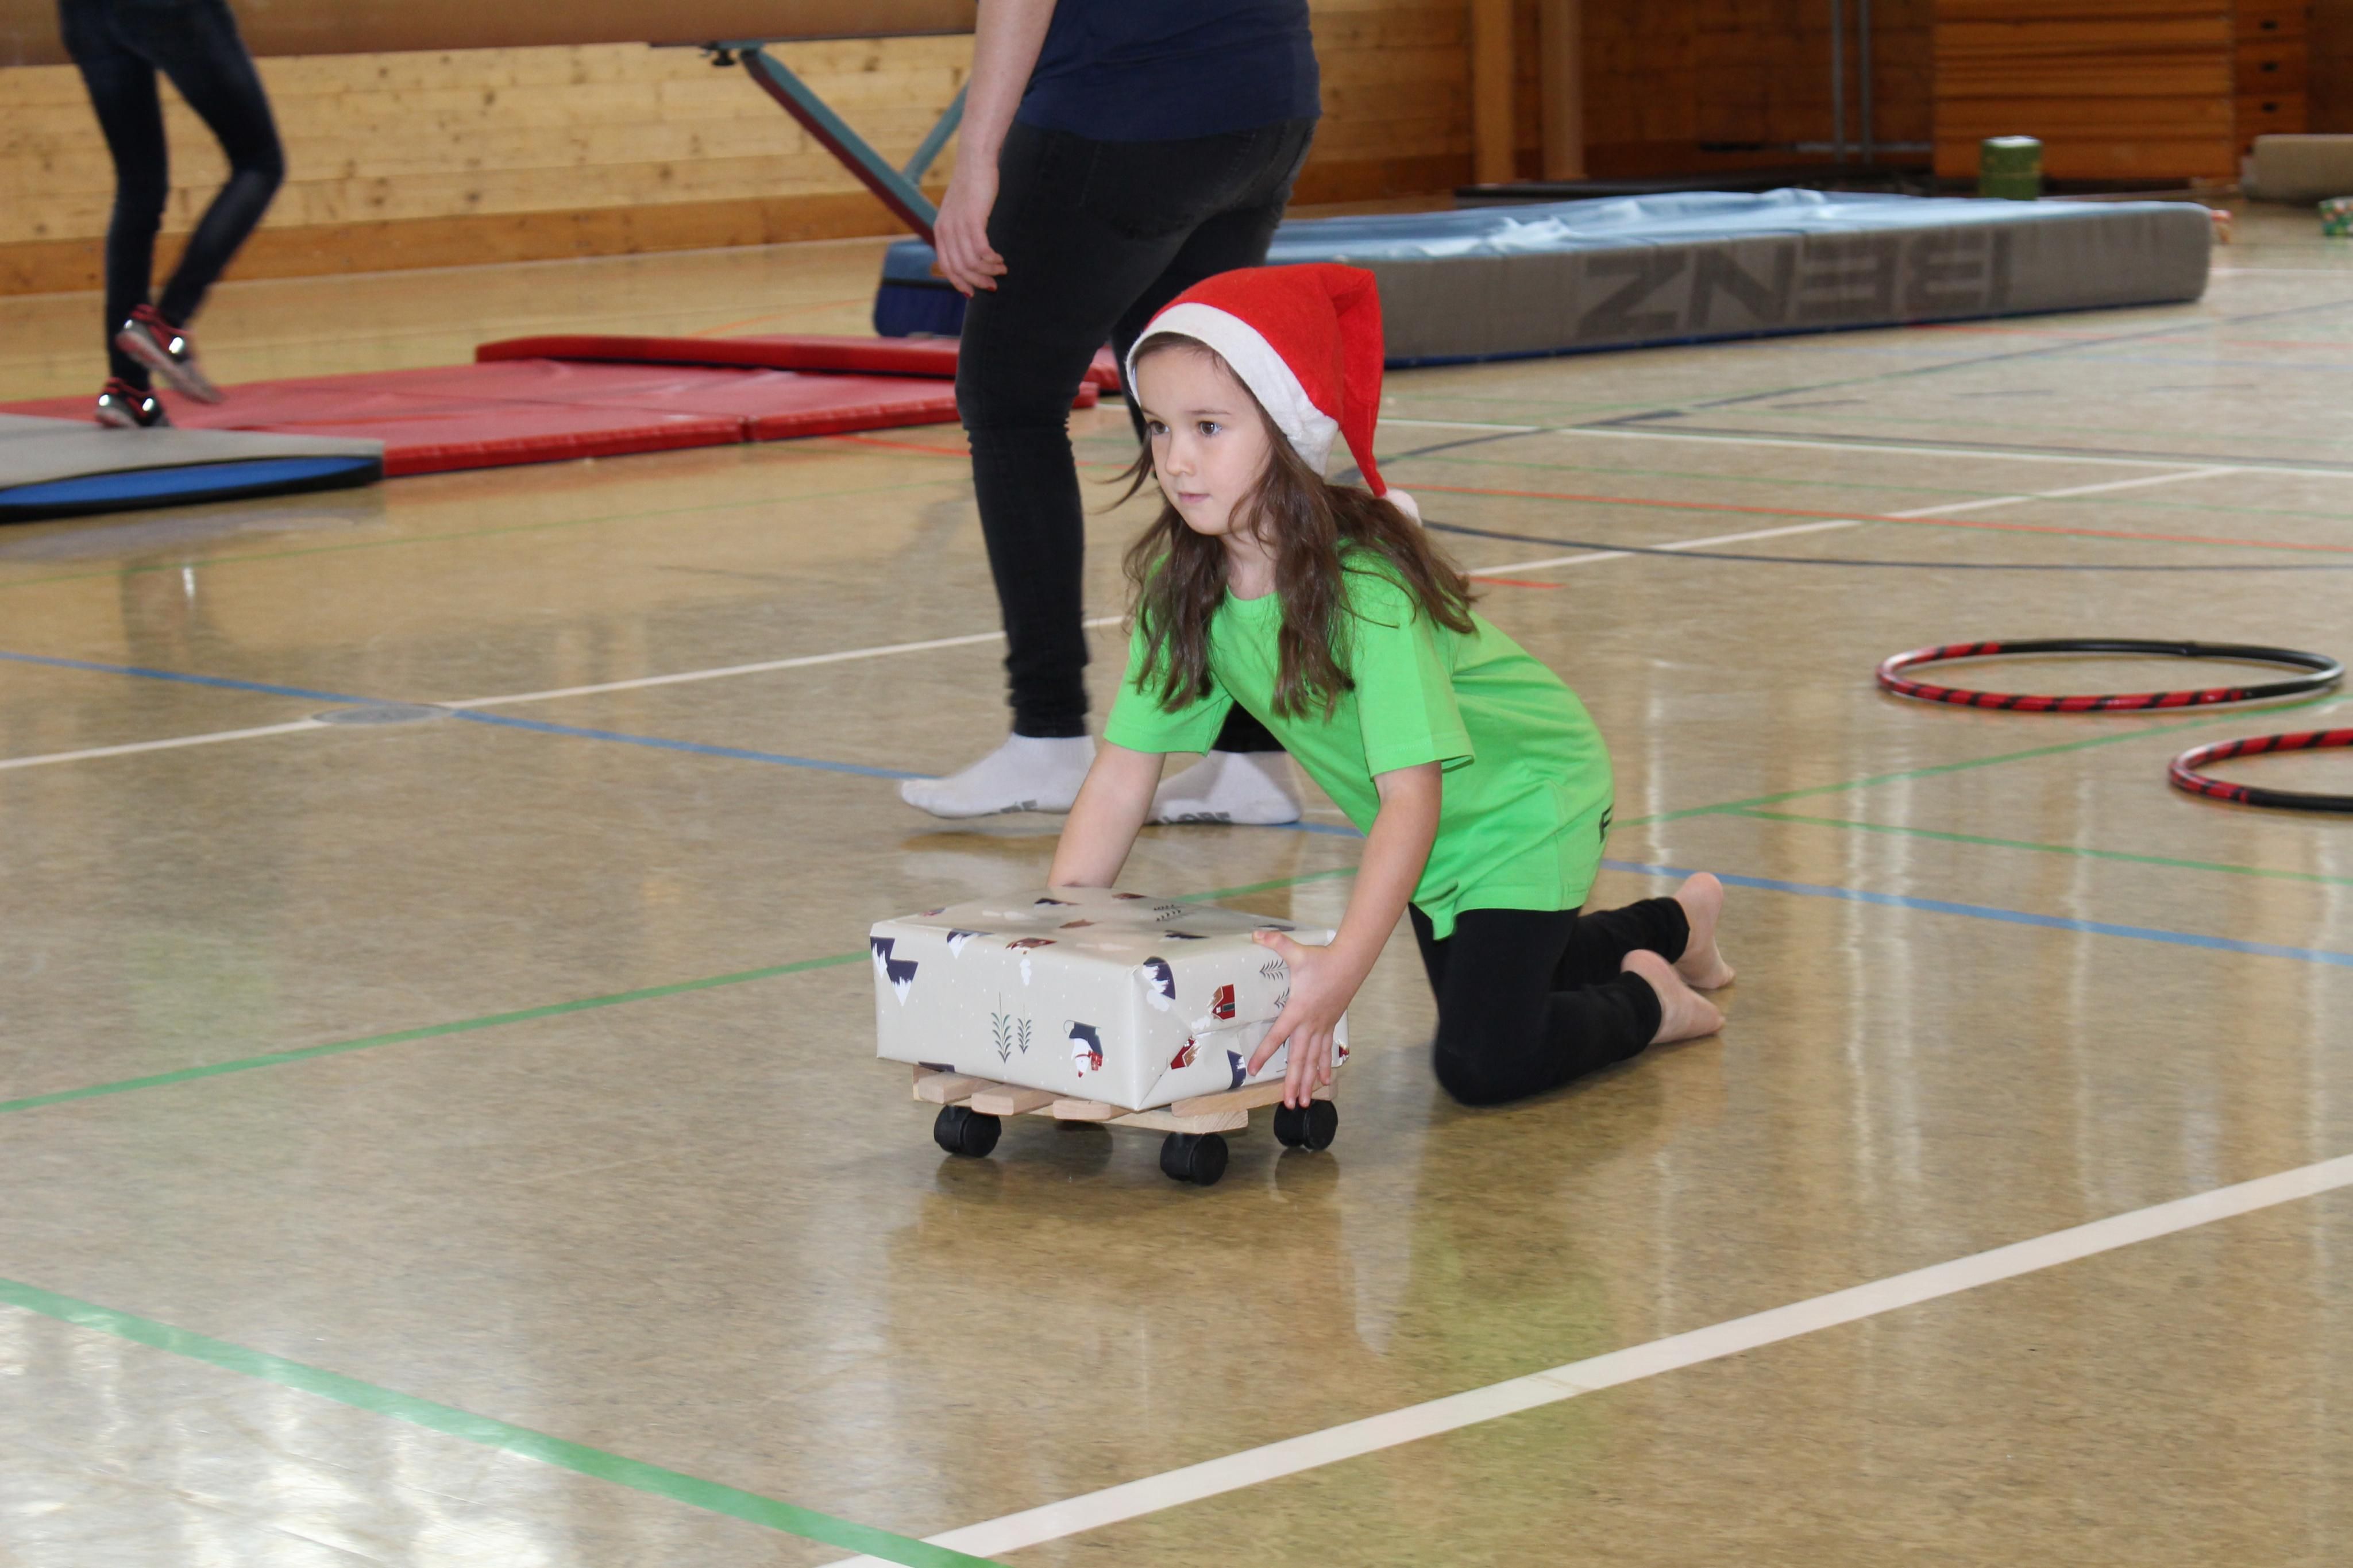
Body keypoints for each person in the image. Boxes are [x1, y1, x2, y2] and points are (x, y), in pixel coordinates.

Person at [1044, 265, 1736, 1109]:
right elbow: (1124, 773)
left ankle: (1653, 1002)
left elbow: (1411, 797)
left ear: (1287, 431)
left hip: (1527, 799)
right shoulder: (1184, 590)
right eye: (1158, 427)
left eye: (1209, 427)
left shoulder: (1367, 591)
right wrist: (1056, 932)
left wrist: (1339, 969)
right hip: (1431, 828)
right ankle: (1679, 925)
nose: (1176, 460)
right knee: (1515, 974)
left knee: (1483, 1062)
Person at [900, 0, 1320, 825]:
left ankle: (1048, 733)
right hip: (1265, 101)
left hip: (1123, 108)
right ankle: (1250, 755)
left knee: (1011, 402)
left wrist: (978, 154)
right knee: (1195, 411)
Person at [58, 0, 285, 428]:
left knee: (138, 188)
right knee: (260, 162)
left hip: (85, 15)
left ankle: (129, 390)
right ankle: (169, 320)